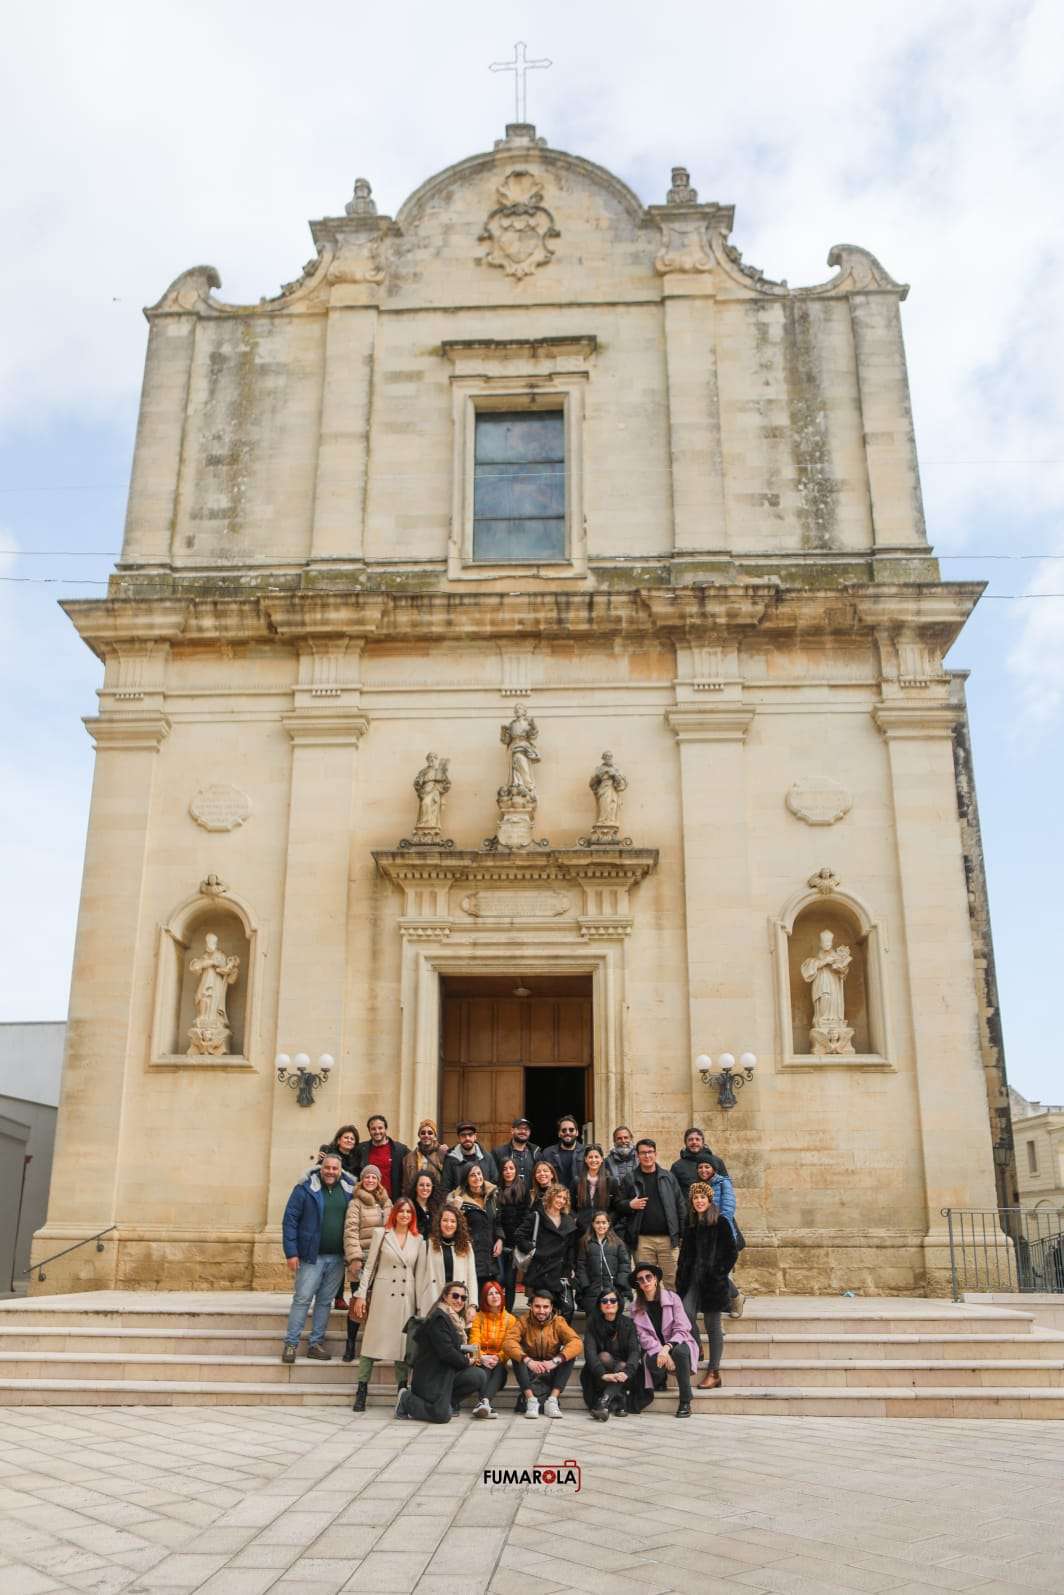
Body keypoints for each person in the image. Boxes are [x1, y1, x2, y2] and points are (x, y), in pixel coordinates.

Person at [280, 1154, 354, 1364]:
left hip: (338, 1258)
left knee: (324, 1302)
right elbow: (290, 1221)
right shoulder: (304, 1189)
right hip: (311, 1257)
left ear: (340, 1171)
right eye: (327, 1167)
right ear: (321, 1168)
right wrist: (291, 1253)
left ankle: (315, 1344)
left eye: (334, 1168)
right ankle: (291, 1344)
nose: (330, 1171)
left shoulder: (349, 1191)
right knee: (302, 1299)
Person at [350, 1196, 420, 1412]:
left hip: (405, 1296)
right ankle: (362, 1389)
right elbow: (369, 1268)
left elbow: (419, 1271)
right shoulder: (381, 1234)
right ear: (394, 1213)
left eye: (409, 1212)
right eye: (401, 1211)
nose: (405, 1215)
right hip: (382, 1295)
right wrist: (361, 1295)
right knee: (371, 1343)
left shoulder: (419, 1239)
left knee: (402, 1346)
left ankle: (401, 1390)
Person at [395, 1282, 489, 1424]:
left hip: (446, 1373)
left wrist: (474, 1354)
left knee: (478, 1376)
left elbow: (454, 1347)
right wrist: (467, 1361)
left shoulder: (455, 1320)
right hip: (430, 1377)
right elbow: (447, 1352)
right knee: (442, 1415)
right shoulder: (439, 1318)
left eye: (463, 1298)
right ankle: (406, 1399)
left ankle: (446, 1402)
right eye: (455, 1296)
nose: (459, 1301)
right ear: (445, 1296)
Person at [676, 1182, 739, 1389]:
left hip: (713, 1282)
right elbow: (684, 1256)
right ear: (692, 1202)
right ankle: (696, 1346)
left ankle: (714, 1372)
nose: (699, 1201)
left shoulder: (719, 1222)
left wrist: (718, 1273)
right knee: (685, 1313)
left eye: (703, 1198)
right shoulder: (691, 1224)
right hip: (692, 1280)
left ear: (709, 1200)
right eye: (696, 1198)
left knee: (713, 1327)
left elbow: (731, 1251)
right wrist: (681, 1277)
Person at [631, 1260, 698, 1418]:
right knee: (651, 1360)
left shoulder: (672, 1298)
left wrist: (666, 1348)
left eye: (649, 1277)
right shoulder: (636, 1307)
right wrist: (661, 1352)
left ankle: (685, 1401)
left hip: (677, 1341)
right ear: (638, 1284)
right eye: (641, 1279)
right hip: (655, 1348)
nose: (646, 1281)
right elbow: (643, 1337)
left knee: (681, 1353)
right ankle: (660, 1378)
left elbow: (682, 1327)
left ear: (656, 1279)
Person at [616, 1137, 684, 1290]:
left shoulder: (668, 1177)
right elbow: (617, 1204)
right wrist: (629, 1204)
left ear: (656, 1154)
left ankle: (671, 1313)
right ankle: (650, 1313)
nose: (647, 1156)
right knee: (646, 1283)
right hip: (642, 1241)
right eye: (643, 1153)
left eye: (650, 1152)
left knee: (672, 1281)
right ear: (637, 1156)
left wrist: (681, 1235)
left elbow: (680, 1206)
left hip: (668, 1239)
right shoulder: (630, 1178)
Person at [503, 1288, 582, 1419]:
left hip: (551, 1368)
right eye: (537, 1306)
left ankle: (552, 1400)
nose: (541, 1311)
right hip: (529, 1370)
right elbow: (508, 1342)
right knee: (517, 1356)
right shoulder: (523, 1321)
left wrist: (554, 1361)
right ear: (531, 1306)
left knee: (569, 1355)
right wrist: (528, 1361)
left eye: (546, 1307)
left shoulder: (558, 1322)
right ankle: (531, 1400)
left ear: (551, 1308)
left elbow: (577, 1343)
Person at [340, 1164, 392, 1363]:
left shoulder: (386, 1202)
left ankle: (374, 1345)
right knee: (357, 1301)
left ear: (379, 1181)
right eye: (367, 1177)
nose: (371, 1180)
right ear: (362, 1180)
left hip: (381, 1260)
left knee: (377, 1304)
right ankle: (351, 1342)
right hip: (361, 1260)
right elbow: (350, 1230)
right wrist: (354, 1258)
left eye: (374, 1177)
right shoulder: (355, 1203)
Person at [314, 1124, 361, 1307]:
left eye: (352, 1138)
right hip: (334, 1206)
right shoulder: (328, 1155)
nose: (349, 1141)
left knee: (348, 1252)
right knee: (334, 1254)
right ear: (339, 1139)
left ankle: (349, 1295)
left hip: (351, 1207)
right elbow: (318, 1175)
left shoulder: (357, 1158)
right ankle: (336, 1296)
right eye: (346, 1137)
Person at [693, 1153, 745, 1318]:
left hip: (721, 1232)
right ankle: (722, 1303)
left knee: (718, 1271)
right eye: (700, 1167)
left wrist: (716, 1226)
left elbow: (728, 1209)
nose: (703, 1170)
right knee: (707, 1271)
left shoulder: (723, 1183)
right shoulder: (698, 1186)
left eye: (707, 1167)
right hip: (703, 1233)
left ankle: (736, 1297)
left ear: (714, 1169)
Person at [515, 1181, 578, 1314]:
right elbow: (519, 1236)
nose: (561, 1200)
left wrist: (570, 1267)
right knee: (542, 1312)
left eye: (564, 1198)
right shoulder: (537, 1216)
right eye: (558, 1196)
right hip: (540, 1271)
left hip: (560, 1272)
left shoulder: (568, 1220)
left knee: (567, 1309)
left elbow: (571, 1247)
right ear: (550, 1196)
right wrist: (533, 1250)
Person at [580, 1285, 640, 1421]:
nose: (609, 1304)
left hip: (626, 1374)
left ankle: (603, 1402)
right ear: (599, 1305)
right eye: (604, 1301)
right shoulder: (592, 1323)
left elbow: (634, 1352)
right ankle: (621, 1398)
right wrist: (603, 1374)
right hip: (599, 1374)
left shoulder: (628, 1324)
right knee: (603, 1356)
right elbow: (590, 1353)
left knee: (622, 1365)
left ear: (619, 1303)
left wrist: (627, 1372)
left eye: (613, 1300)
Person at [415, 1203, 478, 1317]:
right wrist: (419, 1306)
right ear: (439, 1222)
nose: (449, 1224)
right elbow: (420, 1277)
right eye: (445, 1220)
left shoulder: (466, 1246)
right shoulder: (428, 1245)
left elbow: (471, 1277)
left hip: (458, 1302)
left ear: (458, 1224)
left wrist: (472, 1305)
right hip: (433, 1301)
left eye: (453, 1221)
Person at [468, 1277, 520, 1417]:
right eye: (490, 1294)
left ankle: (482, 1402)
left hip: (498, 1366)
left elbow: (509, 1346)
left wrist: (498, 1357)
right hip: (480, 1364)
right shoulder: (478, 1317)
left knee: (498, 1368)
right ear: (484, 1297)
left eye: (497, 1293)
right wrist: (482, 1357)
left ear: (502, 1295)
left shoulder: (510, 1319)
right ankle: (485, 1402)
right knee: (485, 1368)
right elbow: (473, 1342)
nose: (494, 1296)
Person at [447, 1163, 503, 1289]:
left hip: (491, 1253)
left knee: (490, 1292)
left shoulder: (493, 1195)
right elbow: (453, 1227)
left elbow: (497, 1220)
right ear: (466, 1179)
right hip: (472, 1253)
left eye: (479, 1173)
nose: (477, 1177)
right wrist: (455, 1208)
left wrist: (500, 1239)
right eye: (472, 1175)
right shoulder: (459, 1200)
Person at [575, 1210, 632, 1313]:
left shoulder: (618, 1243)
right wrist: (586, 1286)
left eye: (604, 1222)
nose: (601, 1226)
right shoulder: (585, 1242)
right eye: (597, 1222)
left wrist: (619, 1286)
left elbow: (624, 1266)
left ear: (609, 1224)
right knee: (593, 1322)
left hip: (612, 1291)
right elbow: (581, 1265)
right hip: (592, 1292)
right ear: (593, 1224)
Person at [495, 1157, 530, 1311]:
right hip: (498, 1241)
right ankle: (496, 1312)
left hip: (515, 1242)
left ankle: (508, 1313)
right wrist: (499, 1237)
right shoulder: (495, 1190)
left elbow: (526, 1216)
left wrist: (518, 1239)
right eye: (505, 1169)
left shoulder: (523, 1190)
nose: (508, 1171)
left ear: (516, 1170)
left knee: (510, 1281)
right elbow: (495, 1218)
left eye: (511, 1168)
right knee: (499, 1279)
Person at [352, 1115, 409, 1201]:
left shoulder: (400, 1150)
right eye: (373, 1129)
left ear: (386, 1129)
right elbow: (347, 1161)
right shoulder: (361, 1149)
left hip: (391, 1201)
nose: (377, 1131)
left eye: (380, 1128)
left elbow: (415, 1161)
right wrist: (327, 1150)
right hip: (367, 1202)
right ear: (369, 1131)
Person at [572, 1142, 617, 1235]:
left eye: (596, 1157)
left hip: (604, 1230)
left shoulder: (611, 1181)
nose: (593, 1160)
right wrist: (577, 1219)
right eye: (590, 1157)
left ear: (601, 1159)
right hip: (581, 1230)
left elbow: (616, 1207)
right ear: (585, 1159)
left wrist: (608, 1221)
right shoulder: (577, 1181)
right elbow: (569, 1205)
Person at [442, 1120, 499, 1193]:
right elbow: (446, 1186)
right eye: (463, 1135)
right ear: (459, 1138)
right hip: (460, 1202)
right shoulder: (450, 1159)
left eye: (470, 1135)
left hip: (483, 1201)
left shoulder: (487, 1157)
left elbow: (494, 1181)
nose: (467, 1138)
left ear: (475, 1136)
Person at [671, 1126, 727, 1196]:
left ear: (703, 1142)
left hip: (714, 1206)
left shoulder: (717, 1162)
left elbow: (726, 1190)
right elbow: (673, 1193)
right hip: (687, 1206)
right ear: (686, 1143)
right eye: (690, 1140)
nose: (694, 1142)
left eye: (697, 1139)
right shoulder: (677, 1166)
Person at [401, 1120, 449, 1194]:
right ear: (419, 1135)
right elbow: (405, 1185)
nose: (426, 1135)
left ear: (435, 1136)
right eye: (423, 1133)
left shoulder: (443, 1154)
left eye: (430, 1133)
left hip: (436, 1199)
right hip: (415, 1199)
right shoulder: (409, 1158)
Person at [491, 1116, 539, 1187]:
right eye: (519, 1128)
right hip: (506, 1195)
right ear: (512, 1131)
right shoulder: (498, 1152)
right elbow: (493, 1177)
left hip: (529, 1196)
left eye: (526, 1129)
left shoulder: (536, 1153)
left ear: (530, 1132)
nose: (523, 1131)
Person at [542, 1115, 586, 1193]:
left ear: (577, 1133)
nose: (567, 1133)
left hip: (580, 1198)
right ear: (559, 1133)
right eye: (564, 1130)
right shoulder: (547, 1153)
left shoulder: (586, 1152)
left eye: (571, 1130)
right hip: (556, 1199)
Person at [411, 1169, 442, 1241]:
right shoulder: (409, 1207)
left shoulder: (438, 1208)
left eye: (428, 1185)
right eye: (421, 1185)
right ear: (416, 1187)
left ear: (432, 1187)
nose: (425, 1188)